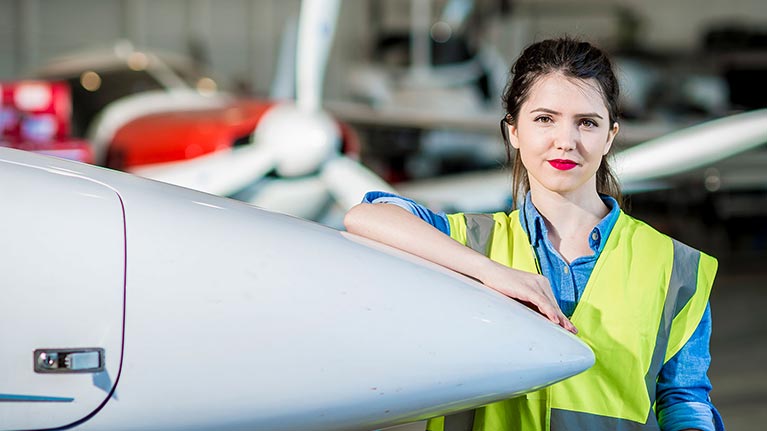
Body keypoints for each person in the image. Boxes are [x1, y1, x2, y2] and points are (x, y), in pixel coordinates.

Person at [344, 38, 724, 431]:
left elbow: (683, 400)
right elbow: (366, 216)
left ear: (610, 136)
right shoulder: (471, 241)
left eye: (587, 123)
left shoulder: (675, 266)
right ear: (513, 131)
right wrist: (490, 272)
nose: (566, 141)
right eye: (545, 119)